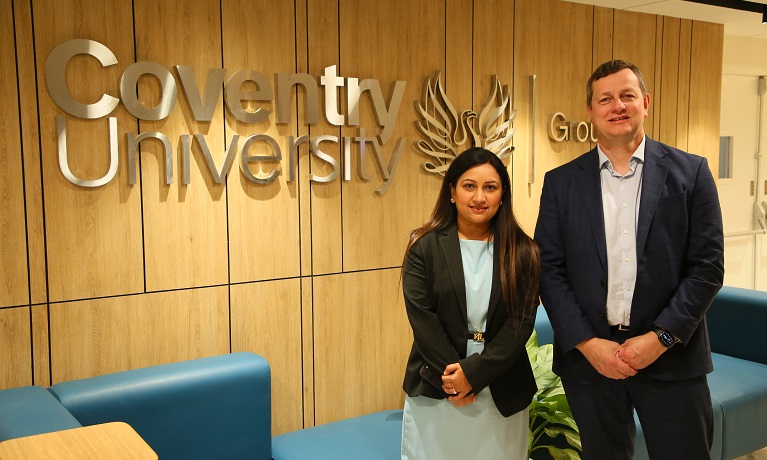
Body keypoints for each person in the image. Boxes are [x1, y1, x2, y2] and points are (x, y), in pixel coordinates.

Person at [534, 59, 724, 459]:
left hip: (672, 362)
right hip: (592, 366)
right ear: (590, 110)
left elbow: (707, 268)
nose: (616, 106)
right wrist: (588, 344)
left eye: (627, 96)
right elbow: (548, 271)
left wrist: (660, 339)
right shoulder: (561, 183)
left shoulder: (691, 174)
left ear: (646, 102)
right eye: (605, 99)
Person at [400, 147, 540, 460]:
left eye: (490, 187)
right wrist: (456, 380)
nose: (479, 197)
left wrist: (474, 375)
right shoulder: (423, 246)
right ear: (451, 192)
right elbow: (422, 319)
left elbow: (521, 323)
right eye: (469, 186)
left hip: (501, 385)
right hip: (438, 385)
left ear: (502, 195)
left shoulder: (523, 251)